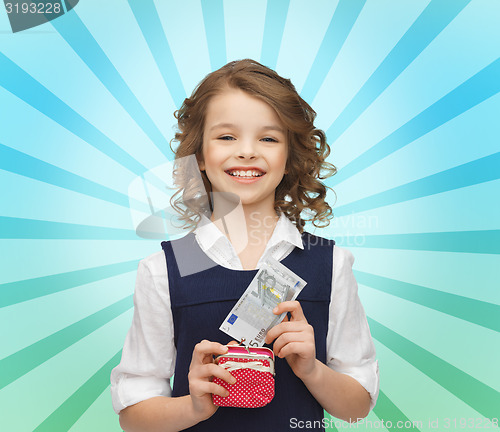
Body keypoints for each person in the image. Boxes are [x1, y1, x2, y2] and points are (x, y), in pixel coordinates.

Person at [111, 59, 379, 431]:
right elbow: (134, 416)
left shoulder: (328, 263)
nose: (247, 152)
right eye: (227, 137)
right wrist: (194, 408)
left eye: (268, 138)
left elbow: (357, 408)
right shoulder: (164, 269)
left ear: (290, 158)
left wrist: (311, 369)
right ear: (200, 156)